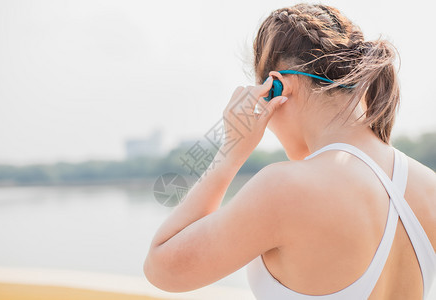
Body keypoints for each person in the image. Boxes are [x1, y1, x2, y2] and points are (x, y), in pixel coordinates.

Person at [143, 3, 436, 299]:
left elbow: (160, 267)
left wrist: (231, 150)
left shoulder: (284, 188)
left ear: (277, 89)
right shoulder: (428, 186)